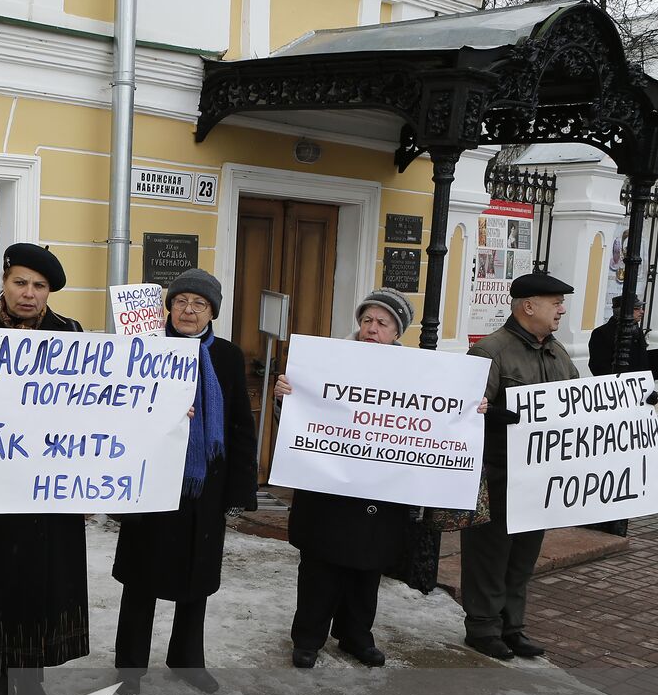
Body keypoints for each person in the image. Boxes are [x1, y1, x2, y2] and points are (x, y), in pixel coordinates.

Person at [274, 289, 486, 668]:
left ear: (396, 331)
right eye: (368, 320)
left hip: (382, 490)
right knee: (320, 568)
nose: (372, 328)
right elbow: (301, 413)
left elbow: (439, 414)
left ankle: (356, 636)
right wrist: (284, 395)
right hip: (329, 487)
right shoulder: (325, 363)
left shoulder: (415, 372)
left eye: (382, 323)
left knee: (366, 569)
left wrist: (473, 407)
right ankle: (308, 637)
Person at [0, 243, 90, 695]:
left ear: (48, 292)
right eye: (21, 283)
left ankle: (31, 680)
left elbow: (101, 405)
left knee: (44, 580)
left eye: (39, 286)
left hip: (51, 487)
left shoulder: (71, 335)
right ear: (4, 283)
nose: (29, 294)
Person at [112, 268, 257, 695]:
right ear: (168, 307)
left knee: (197, 578)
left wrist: (239, 490)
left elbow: (239, 427)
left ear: (212, 312)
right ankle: (130, 668)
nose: (188, 311)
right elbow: (118, 411)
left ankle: (187, 659)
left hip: (204, 487)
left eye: (199, 304)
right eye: (180, 302)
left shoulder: (228, 357)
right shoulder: (144, 350)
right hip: (152, 480)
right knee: (142, 579)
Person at [461, 271, 579, 660]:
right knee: (490, 554)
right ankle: (482, 627)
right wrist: (494, 414)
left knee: (523, 555)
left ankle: (512, 626)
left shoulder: (558, 353)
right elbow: (463, 411)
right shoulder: (490, 351)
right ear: (529, 306)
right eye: (555, 302)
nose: (561, 309)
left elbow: (580, 404)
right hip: (497, 473)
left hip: (538, 477)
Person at [588, 295, 652, 376]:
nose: (642, 311)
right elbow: (598, 366)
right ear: (623, 311)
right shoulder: (601, 333)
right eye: (636, 309)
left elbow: (643, 360)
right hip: (616, 384)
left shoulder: (637, 330)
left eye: (640, 308)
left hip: (639, 383)